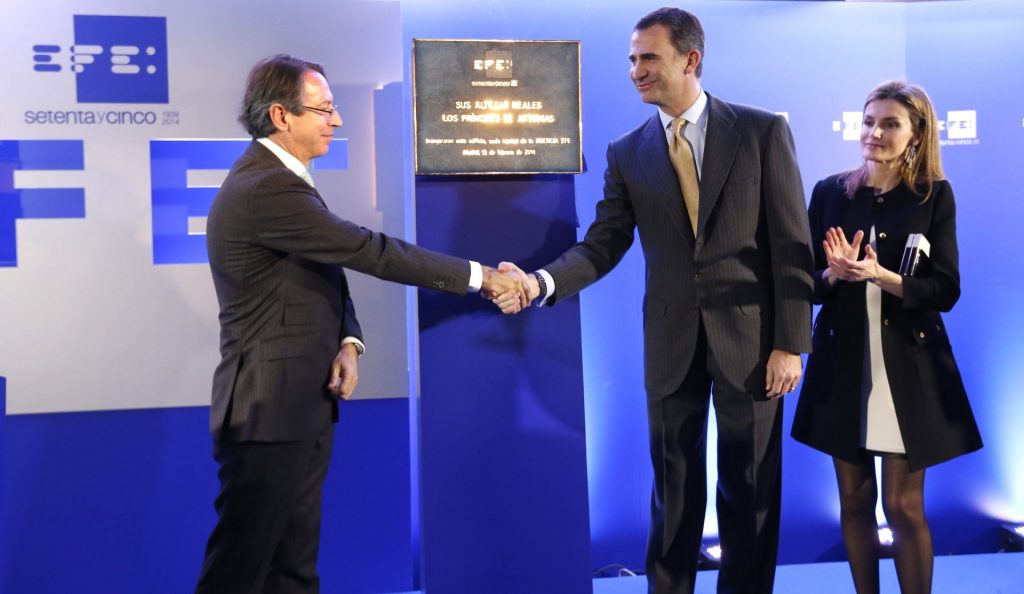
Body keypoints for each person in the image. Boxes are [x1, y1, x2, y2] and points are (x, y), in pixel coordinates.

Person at [494, 7, 813, 593]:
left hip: (753, 343)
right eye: (632, 59)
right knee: (673, 492)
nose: (636, 70)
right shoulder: (628, 151)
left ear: (691, 59)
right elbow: (603, 243)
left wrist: (790, 343)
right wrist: (541, 283)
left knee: (750, 490)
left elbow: (792, 243)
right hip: (670, 344)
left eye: (649, 58)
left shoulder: (761, 131)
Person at [195, 54, 524, 594]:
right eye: (324, 109)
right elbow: (366, 250)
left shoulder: (280, 180)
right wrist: (480, 277)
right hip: (269, 408)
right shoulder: (267, 187)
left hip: (298, 402)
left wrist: (348, 340)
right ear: (281, 115)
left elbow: (323, 265)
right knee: (241, 568)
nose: (337, 120)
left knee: (293, 570)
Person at [791, 81, 982, 594]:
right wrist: (833, 274)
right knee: (854, 501)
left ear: (916, 134)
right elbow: (806, 283)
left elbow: (945, 289)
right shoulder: (830, 192)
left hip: (908, 367)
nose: (874, 132)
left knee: (902, 506)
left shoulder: (933, 196)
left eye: (890, 124)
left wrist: (882, 276)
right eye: (869, 121)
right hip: (844, 364)